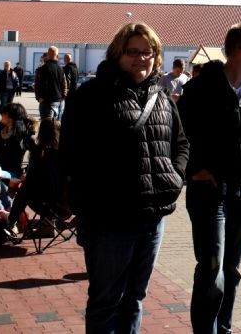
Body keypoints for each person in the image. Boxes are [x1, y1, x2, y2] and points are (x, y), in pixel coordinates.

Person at [61, 22, 188, 333]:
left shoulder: (161, 97)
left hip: (153, 217)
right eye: (133, 52)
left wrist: (175, 176)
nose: (141, 58)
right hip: (110, 219)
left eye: (148, 52)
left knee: (134, 298)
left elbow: (181, 143)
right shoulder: (91, 95)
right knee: (106, 301)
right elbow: (71, 152)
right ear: (117, 54)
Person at [178, 23, 241, 334]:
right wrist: (194, 169)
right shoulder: (200, 88)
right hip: (210, 191)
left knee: (231, 269)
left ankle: (224, 328)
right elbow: (179, 136)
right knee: (212, 267)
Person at [7, 117, 69, 236]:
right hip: (69, 205)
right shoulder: (67, 152)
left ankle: (11, 221)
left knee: (26, 188)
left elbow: (31, 180)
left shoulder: (39, 153)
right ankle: (47, 225)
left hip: (45, 205)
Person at [0, 102, 38, 215]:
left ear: (9, 116)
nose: (1, 116)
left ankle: (7, 210)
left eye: (3, 114)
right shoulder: (1, 129)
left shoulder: (24, 134)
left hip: (13, 172)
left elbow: (36, 156)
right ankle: (7, 211)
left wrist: (26, 171)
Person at [35, 46, 66, 119]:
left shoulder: (41, 69)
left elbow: (37, 85)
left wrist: (38, 97)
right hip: (59, 101)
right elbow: (64, 84)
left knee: (47, 124)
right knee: (57, 124)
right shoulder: (61, 69)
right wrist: (63, 97)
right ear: (57, 56)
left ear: (48, 55)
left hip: (46, 102)